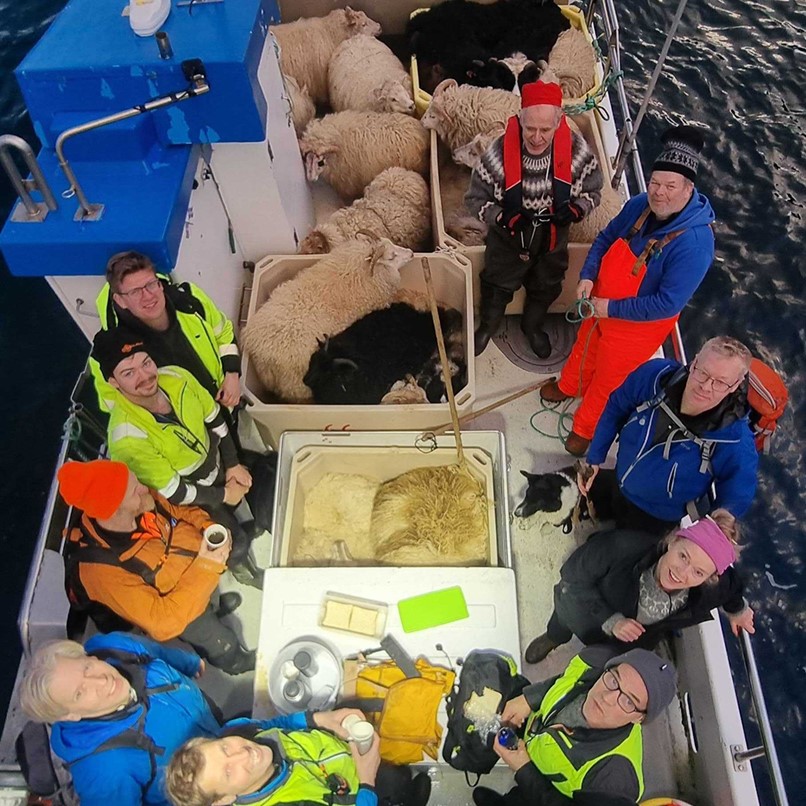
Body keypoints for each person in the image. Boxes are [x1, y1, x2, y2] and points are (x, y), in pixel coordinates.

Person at [541, 125, 716, 456]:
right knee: (584, 346)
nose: (659, 192)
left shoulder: (695, 245)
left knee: (608, 382)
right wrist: (588, 276)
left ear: (688, 188)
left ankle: (585, 429)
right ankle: (568, 385)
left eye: (670, 186)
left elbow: (666, 304)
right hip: (599, 303)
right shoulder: (639, 205)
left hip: (634, 329)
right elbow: (606, 237)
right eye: (654, 183)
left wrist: (611, 309)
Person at [57, 459, 256, 674]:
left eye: (136, 482)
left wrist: (207, 526)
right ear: (114, 511)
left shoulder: (143, 499)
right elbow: (163, 623)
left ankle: (212, 608)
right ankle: (235, 662)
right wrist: (208, 566)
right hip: (183, 612)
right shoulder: (100, 572)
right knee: (220, 641)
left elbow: (181, 510)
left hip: (199, 574)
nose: (144, 487)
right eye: (135, 491)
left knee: (207, 599)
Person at [91, 326, 274, 549]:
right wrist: (225, 495)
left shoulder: (177, 376)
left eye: (146, 363)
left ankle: (248, 517)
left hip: (218, 461)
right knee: (234, 544)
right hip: (192, 496)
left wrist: (233, 464)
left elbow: (215, 418)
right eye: (129, 373)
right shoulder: (128, 440)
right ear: (113, 382)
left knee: (269, 470)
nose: (145, 377)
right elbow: (175, 492)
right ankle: (241, 550)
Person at [465, 77, 603, 358]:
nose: (537, 137)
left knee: (547, 285)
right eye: (530, 128)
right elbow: (474, 200)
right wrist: (501, 217)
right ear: (520, 120)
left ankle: (532, 327)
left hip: (552, 237)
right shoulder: (498, 154)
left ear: (559, 122)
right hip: (509, 237)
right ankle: (488, 326)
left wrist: (577, 209)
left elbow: (594, 191)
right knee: (495, 284)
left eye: (545, 130)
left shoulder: (577, 153)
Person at [578, 336, 759, 536]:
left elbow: (737, 494)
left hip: (655, 515)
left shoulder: (735, 441)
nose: (706, 386)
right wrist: (595, 457)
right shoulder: (656, 377)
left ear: (735, 385)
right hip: (621, 476)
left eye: (720, 382)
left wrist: (712, 531)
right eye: (703, 373)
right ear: (694, 362)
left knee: (602, 546)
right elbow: (617, 405)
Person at [524, 511, 755, 664]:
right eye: (683, 556)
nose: (682, 574)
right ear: (674, 541)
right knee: (563, 620)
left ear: (710, 578)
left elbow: (732, 588)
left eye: (698, 572)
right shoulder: (620, 546)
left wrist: (738, 611)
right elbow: (571, 580)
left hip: (629, 643)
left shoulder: (713, 587)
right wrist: (611, 620)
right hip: (582, 614)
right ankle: (554, 637)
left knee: (604, 663)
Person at [19, 632, 221, 806]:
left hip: (209, 718)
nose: (101, 681)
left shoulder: (114, 646)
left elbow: (157, 651)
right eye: (80, 693)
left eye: (86, 668)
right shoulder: (105, 773)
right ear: (69, 716)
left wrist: (189, 663)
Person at [472, 646, 677, 806]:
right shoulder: (592, 663)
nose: (607, 698)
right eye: (615, 680)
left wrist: (524, 770)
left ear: (639, 718)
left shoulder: (614, 780)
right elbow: (565, 679)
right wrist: (530, 698)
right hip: (535, 756)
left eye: (629, 701)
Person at [164, 709, 433, 806]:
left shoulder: (236, 731)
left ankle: (402, 791)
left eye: (224, 749)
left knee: (396, 778)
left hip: (351, 762)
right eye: (228, 772)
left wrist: (318, 719)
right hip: (362, 788)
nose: (242, 753)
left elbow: (272, 723)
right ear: (223, 800)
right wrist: (367, 783)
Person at [91, 250, 242, 412]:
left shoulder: (190, 300)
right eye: (135, 292)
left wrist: (232, 374)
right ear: (120, 300)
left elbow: (223, 333)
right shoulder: (109, 351)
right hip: (192, 424)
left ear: (159, 283)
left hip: (229, 402)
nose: (147, 296)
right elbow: (113, 406)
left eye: (150, 284)